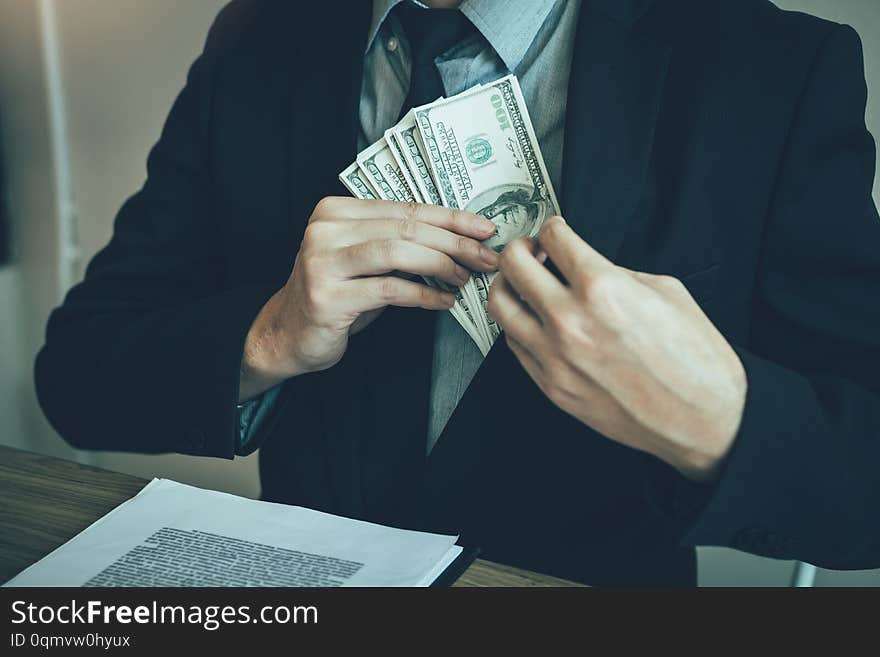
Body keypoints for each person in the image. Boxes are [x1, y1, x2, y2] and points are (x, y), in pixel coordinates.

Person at [35, 0, 880, 586]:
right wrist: (269, 334)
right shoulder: (258, 38)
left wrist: (716, 421)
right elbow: (75, 379)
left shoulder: (775, 71)